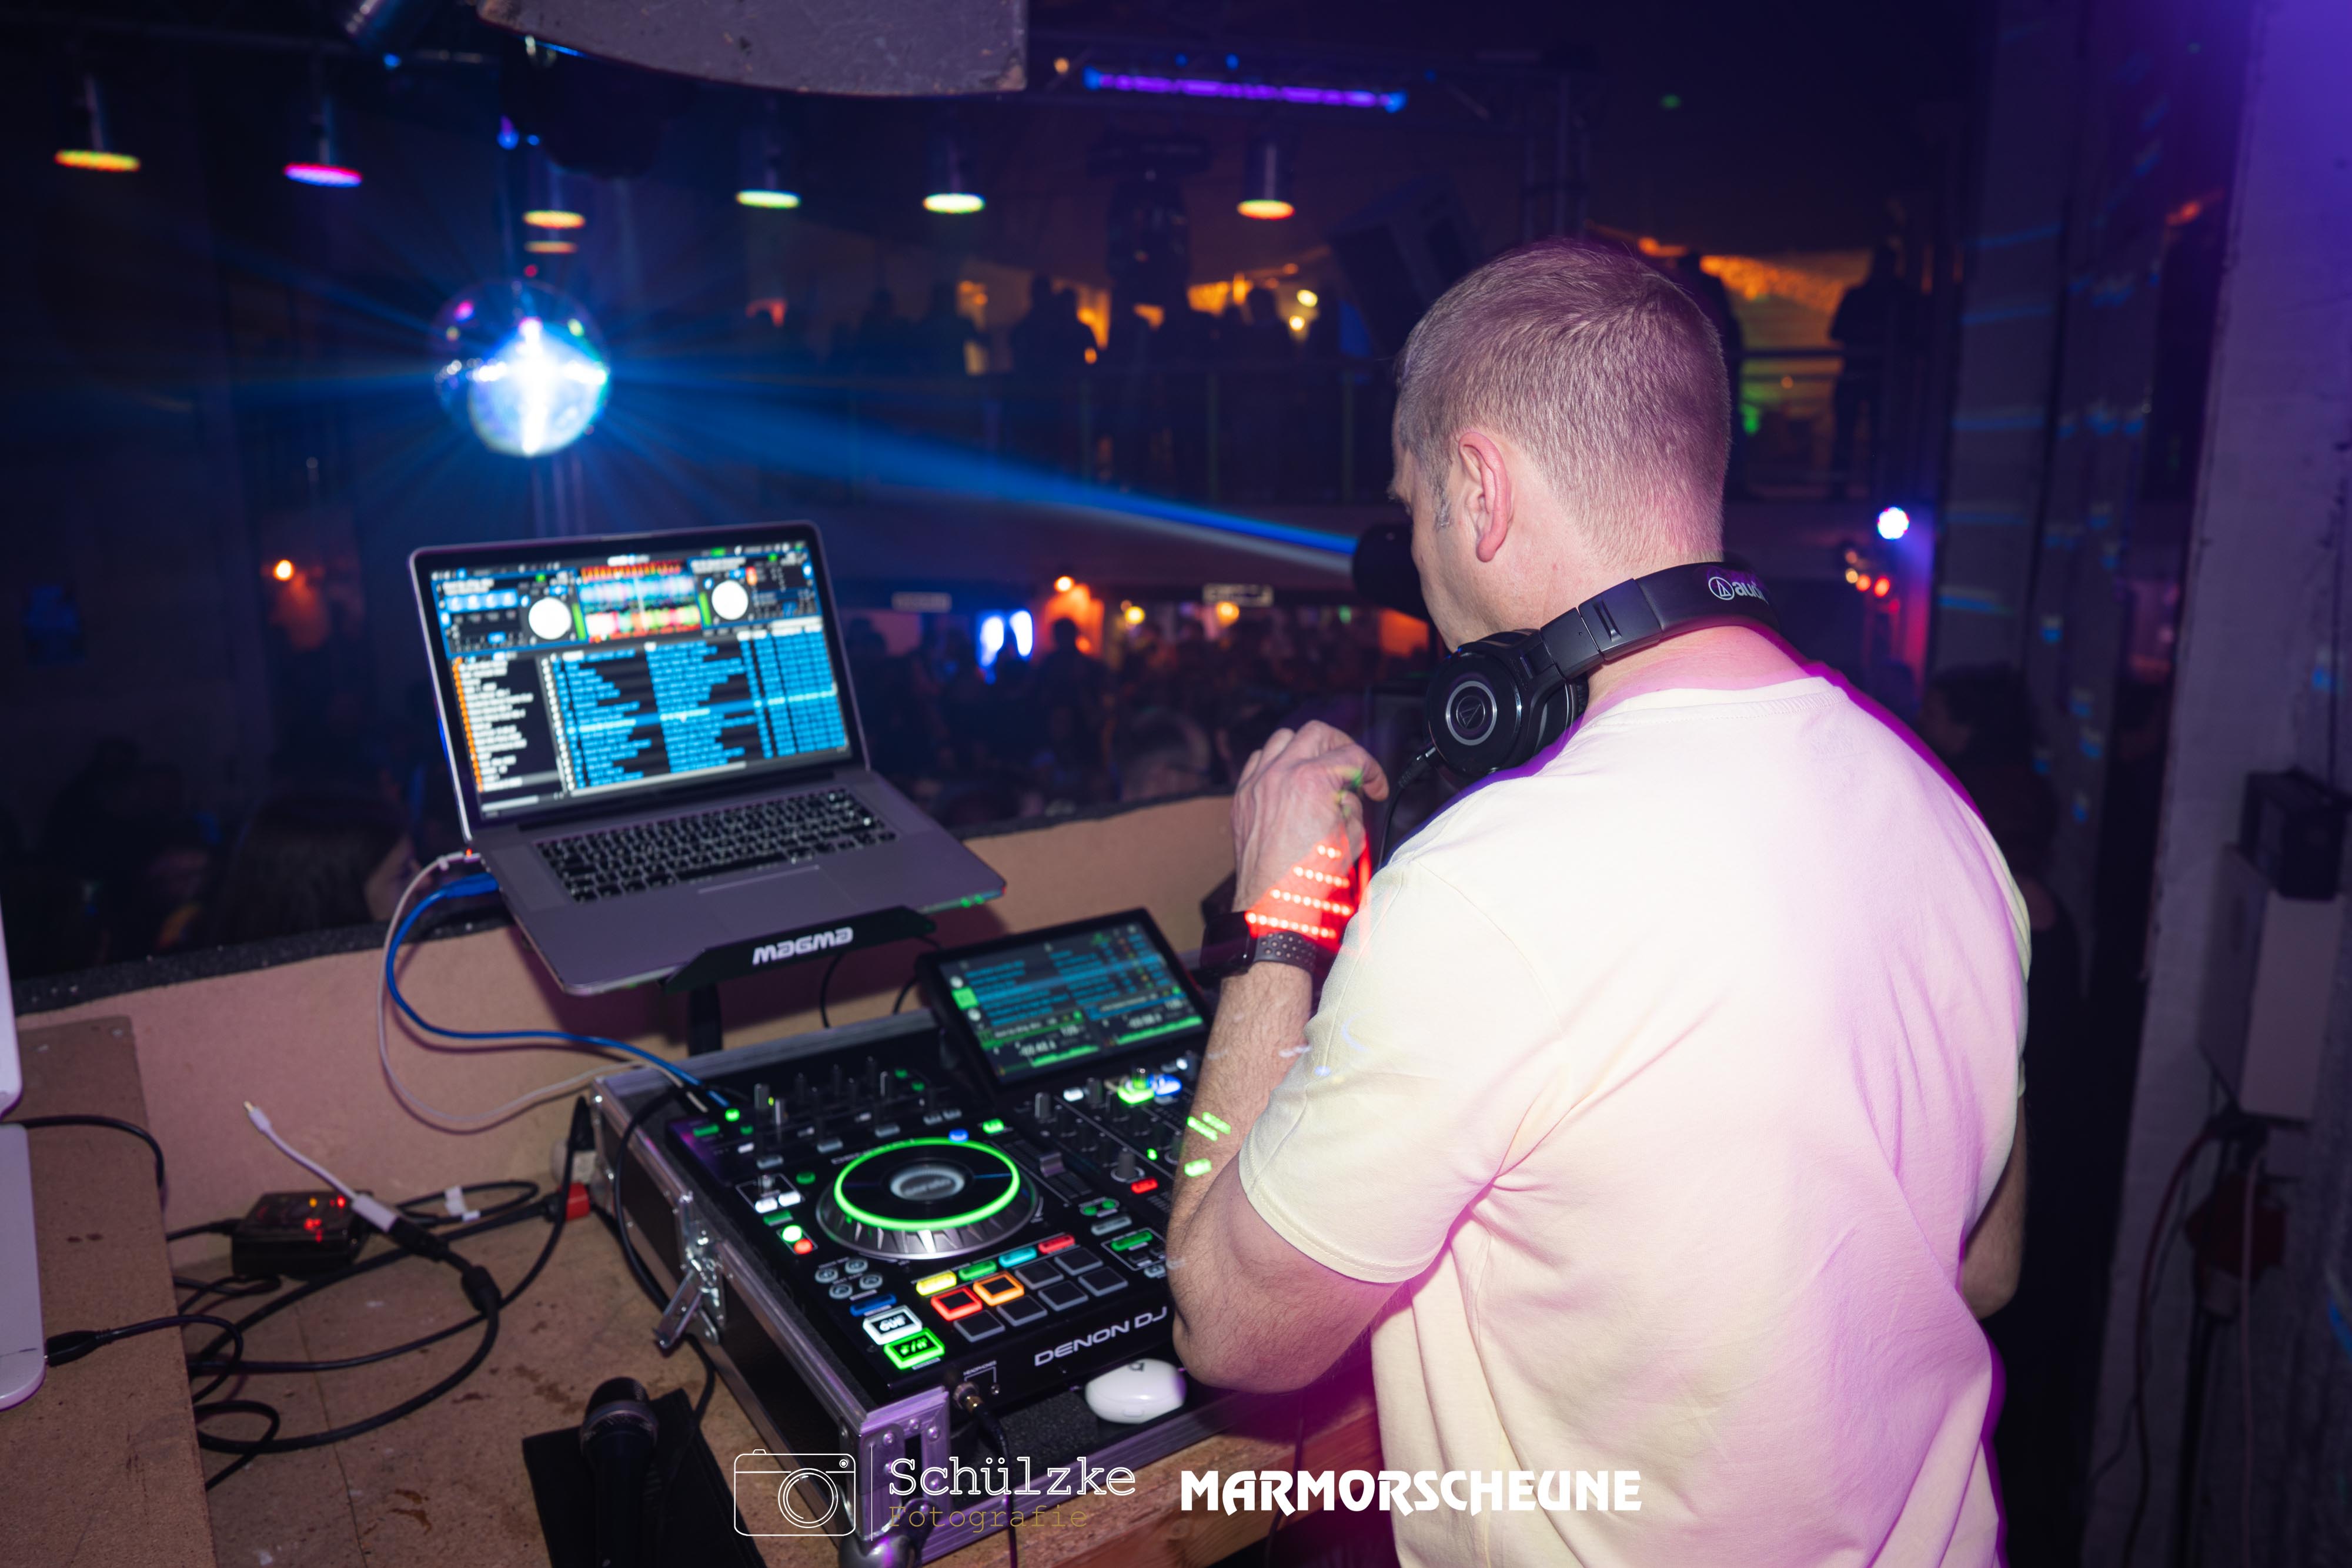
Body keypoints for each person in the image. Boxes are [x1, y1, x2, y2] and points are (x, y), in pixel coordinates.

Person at [1165, 238, 2028, 1566]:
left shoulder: (1490, 890)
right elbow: (1982, 1264)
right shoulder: (1944, 820)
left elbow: (1230, 1324)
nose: (1417, 562)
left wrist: (1276, 921)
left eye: (1414, 509)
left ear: (1478, 491)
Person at [1830, 244, 1903, 496]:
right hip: (1867, 374)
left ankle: (1845, 488)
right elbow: (1837, 331)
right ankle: (1851, 488)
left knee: (1867, 434)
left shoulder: (1886, 297)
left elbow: (1837, 331)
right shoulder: (1891, 298)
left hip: (1869, 375)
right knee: (1857, 433)